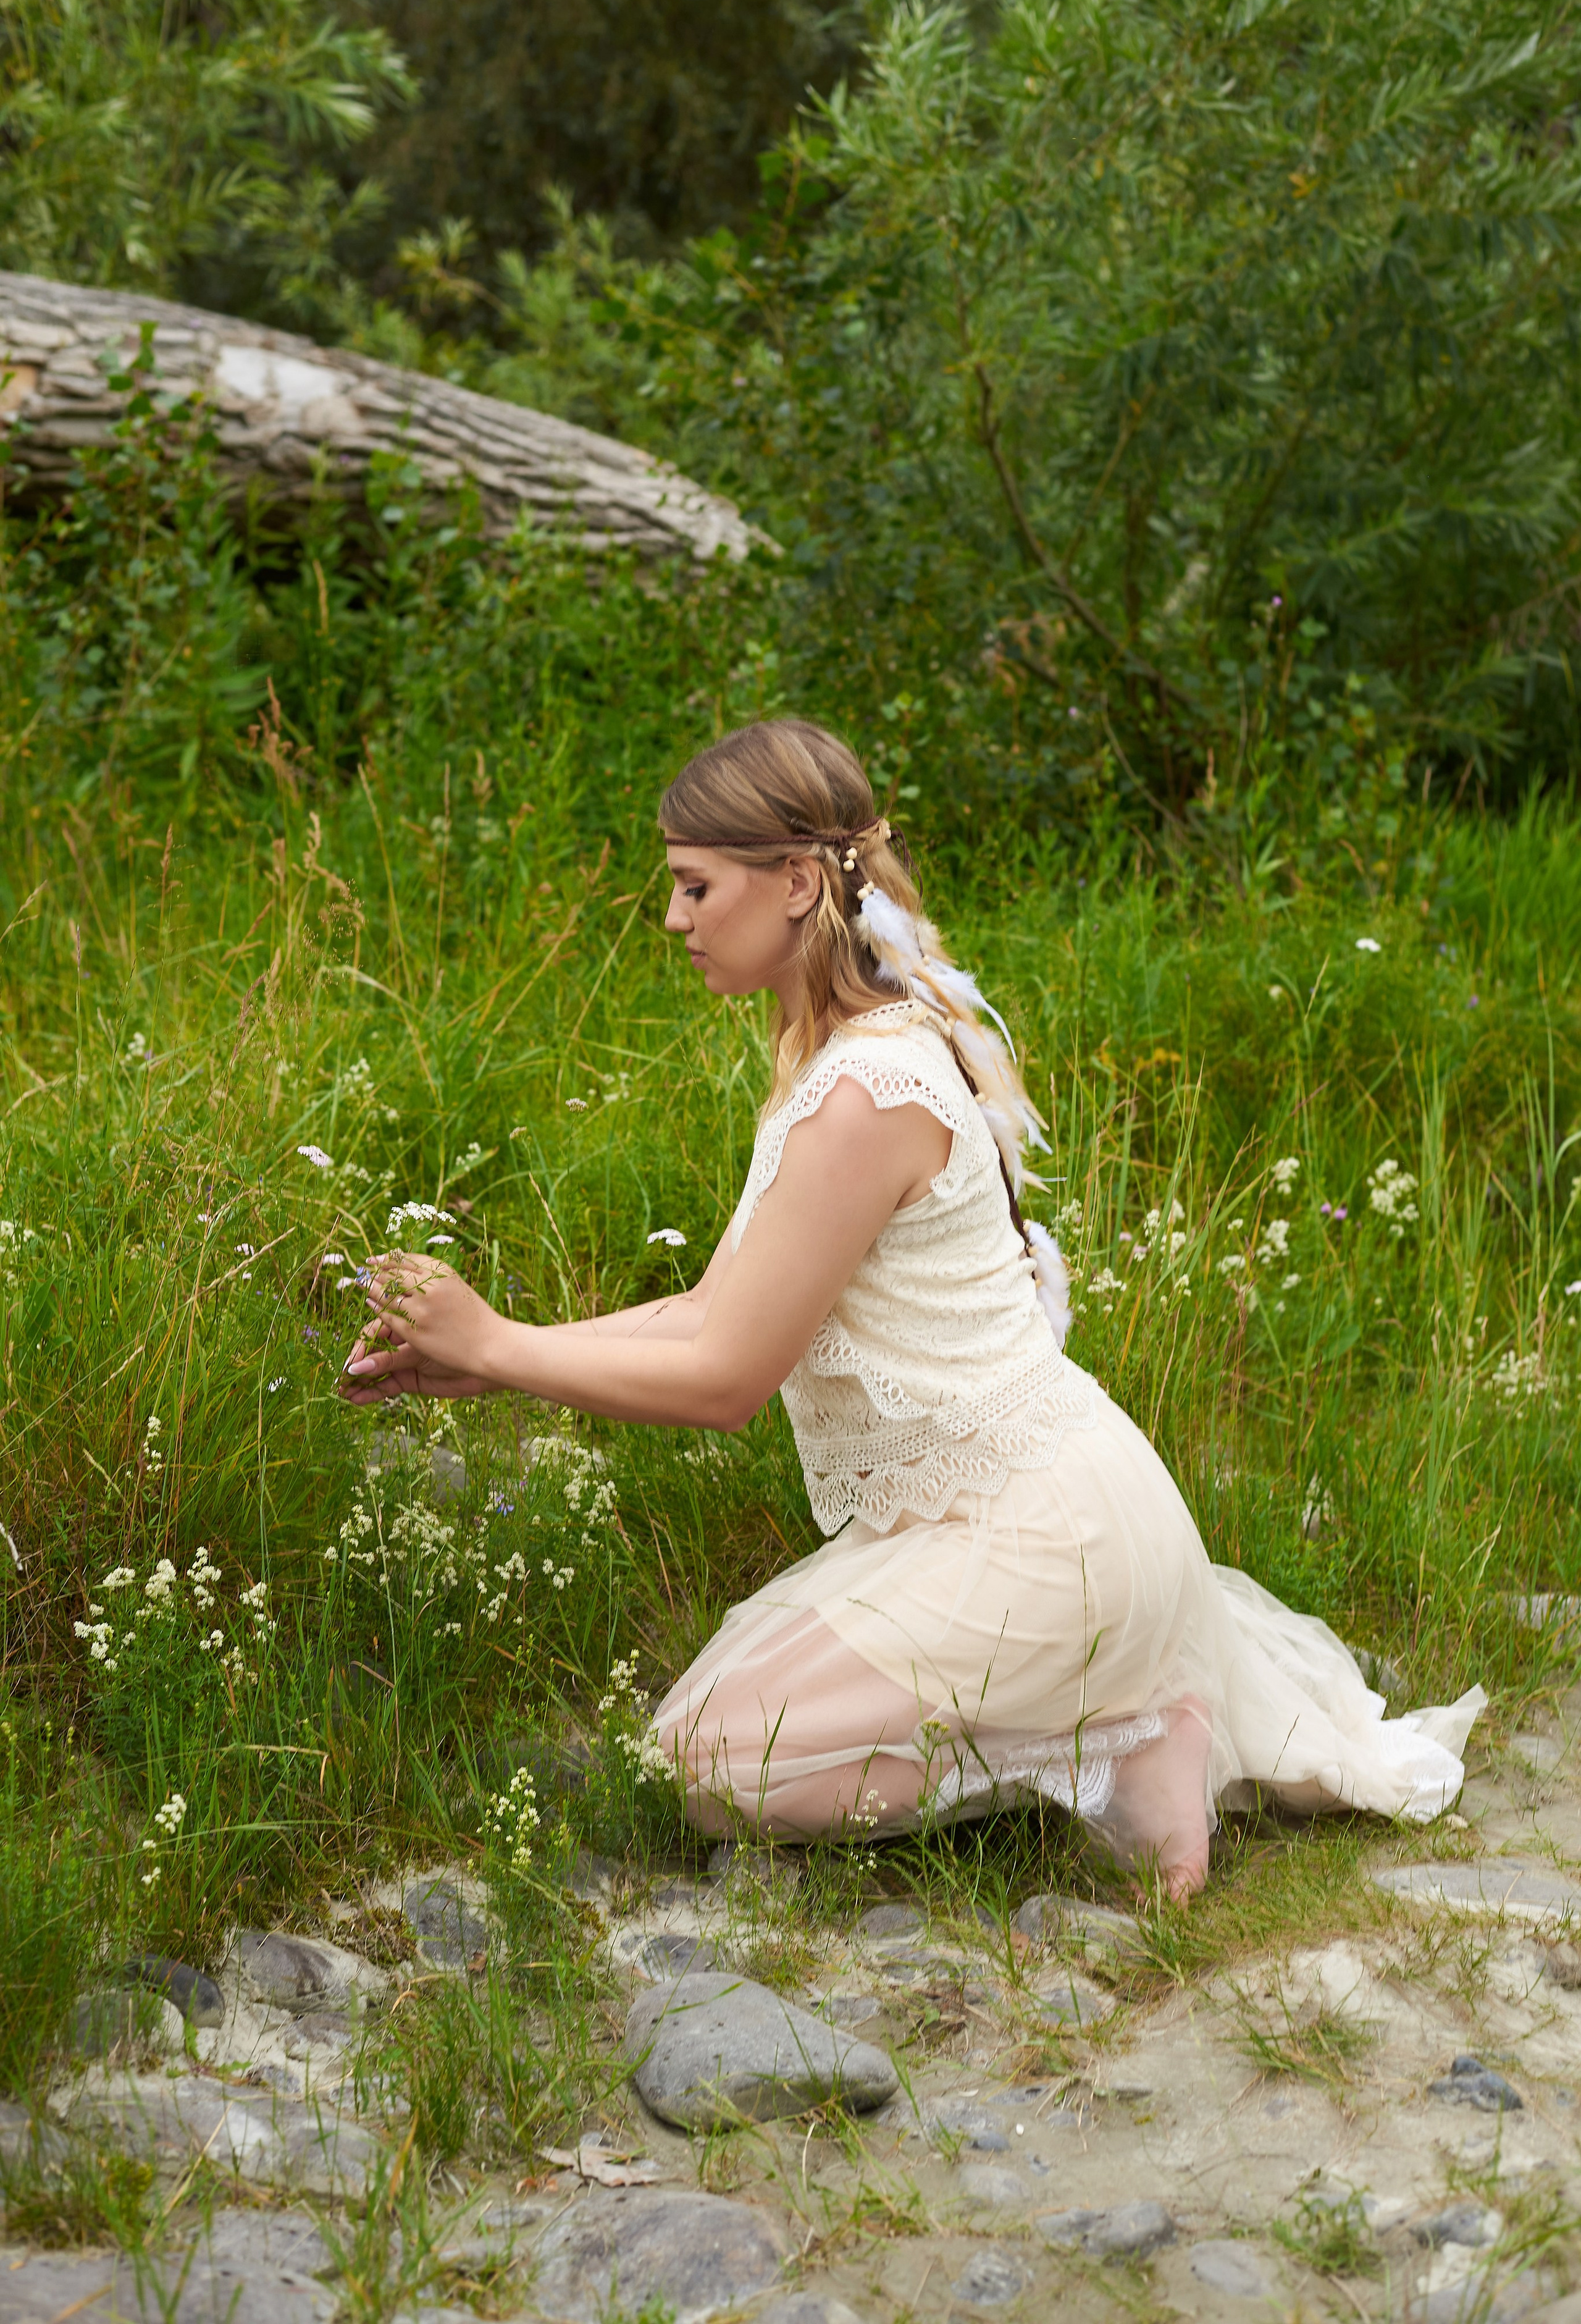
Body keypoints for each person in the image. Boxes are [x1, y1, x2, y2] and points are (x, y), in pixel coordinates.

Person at [340, 718, 1483, 1898]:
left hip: (1042, 1533)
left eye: (693, 887)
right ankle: (1119, 1730)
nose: (672, 919)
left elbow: (728, 1382)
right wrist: (494, 1356)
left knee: (716, 1766)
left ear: (793, 883)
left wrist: (502, 1346)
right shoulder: (833, 1047)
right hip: (1005, 1511)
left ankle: (1130, 1735)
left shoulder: (865, 1090)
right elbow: (717, 1302)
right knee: (712, 1742)